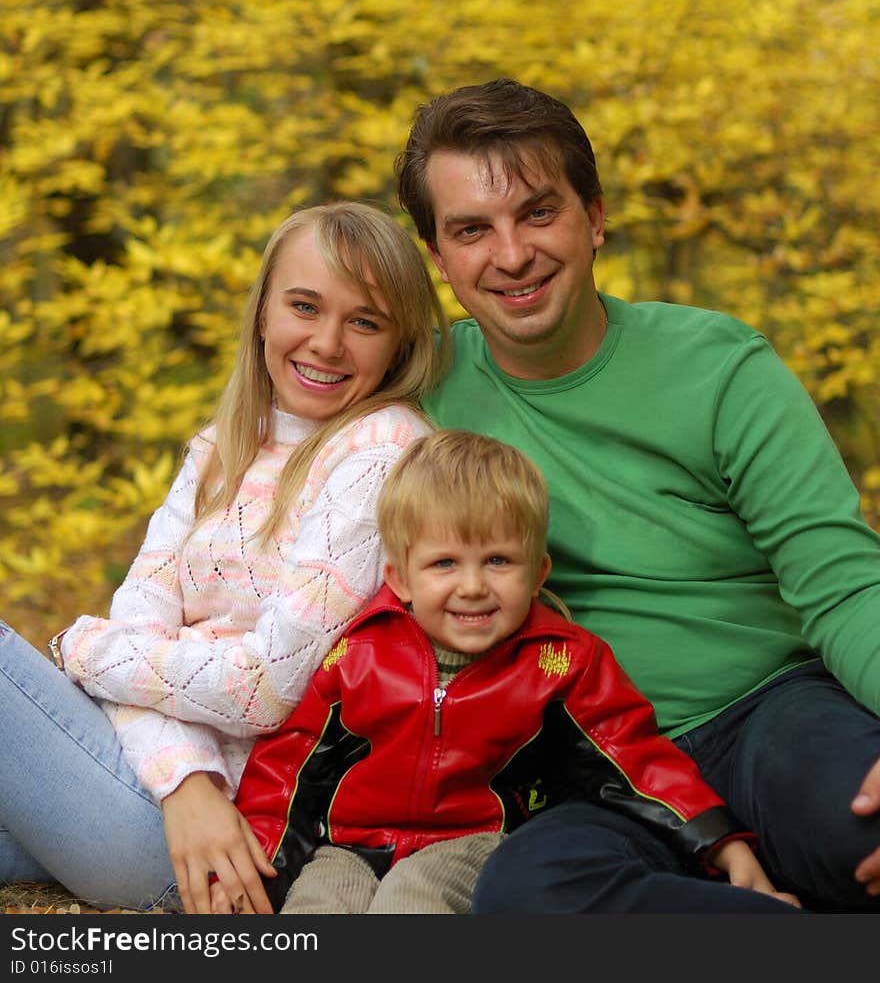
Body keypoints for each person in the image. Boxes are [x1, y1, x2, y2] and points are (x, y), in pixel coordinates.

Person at [394, 77, 880, 914]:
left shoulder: (720, 369)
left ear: (595, 217)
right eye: (472, 230)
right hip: (585, 757)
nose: (511, 255)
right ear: (438, 258)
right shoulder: (414, 397)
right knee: (526, 898)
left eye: (539, 213)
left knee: (866, 827)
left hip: (770, 713)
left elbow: (842, 584)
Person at [0, 199, 449, 915]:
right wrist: (185, 781)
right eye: (304, 306)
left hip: (225, 835)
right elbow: (139, 628)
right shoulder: (222, 446)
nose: (327, 343)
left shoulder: (383, 452)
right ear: (264, 313)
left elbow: (262, 688)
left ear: (399, 343)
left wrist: (81, 649)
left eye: (364, 321)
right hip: (168, 797)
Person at [219, 429, 800, 915]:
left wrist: (719, 843)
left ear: (537, 570)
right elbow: (291, 766)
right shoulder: (359, 652)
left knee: (410, 906)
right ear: (399, 578)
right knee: (317, 909)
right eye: (444, 563)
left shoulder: (560, 662)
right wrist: (257, 865)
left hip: (470, 843)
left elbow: (635, 758)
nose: (472, 585)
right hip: (349, 843)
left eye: (497, 560)